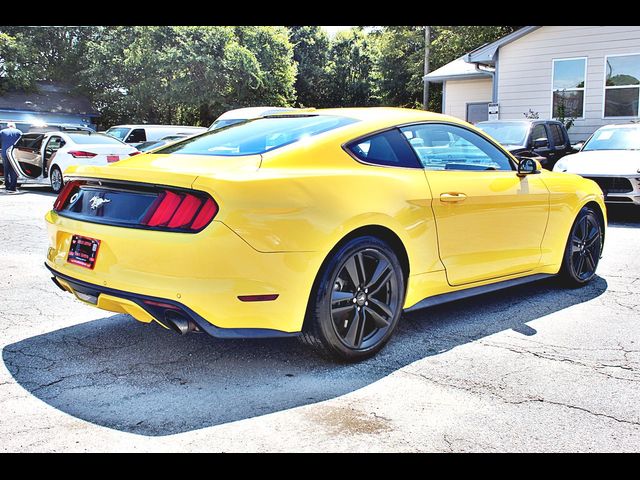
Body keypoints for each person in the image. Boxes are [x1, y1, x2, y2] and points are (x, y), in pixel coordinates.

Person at [1, 122, 22, 193]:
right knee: (14, 170)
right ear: (14, 126)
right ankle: (13, 187)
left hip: (5, 153)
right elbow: (22, 142)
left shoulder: (2, 132)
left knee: (6, 169)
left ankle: (7, 186)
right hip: (14, 153)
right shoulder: (19, 132)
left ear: (8, 126)